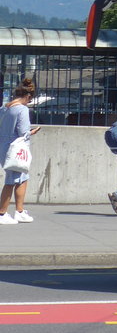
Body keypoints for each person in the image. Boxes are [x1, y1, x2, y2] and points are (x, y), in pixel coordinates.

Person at [1, 78, 42, 225]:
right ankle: (2, 213)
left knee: (22, 177)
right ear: (28, 96)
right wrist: (33, 132)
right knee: (12, 180)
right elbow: (24, 132)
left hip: (5, 146)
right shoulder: (22, 109)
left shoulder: (5, 108)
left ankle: (19, 211)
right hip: (17, 148)